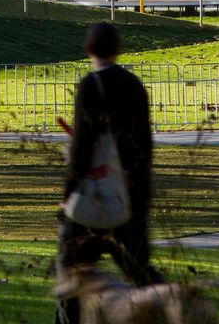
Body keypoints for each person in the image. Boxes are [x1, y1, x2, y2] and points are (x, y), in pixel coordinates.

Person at [54, 23, 161, 324]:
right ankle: (169, 307)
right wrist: (141, 187)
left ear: (88, 49)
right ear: (117, 48)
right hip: (129, 188)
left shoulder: (91, 85)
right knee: (138, 267)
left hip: (94, 190)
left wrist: (68, 194)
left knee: (71, 273)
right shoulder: (133, 84)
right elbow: (144, 141)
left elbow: (83, 146)